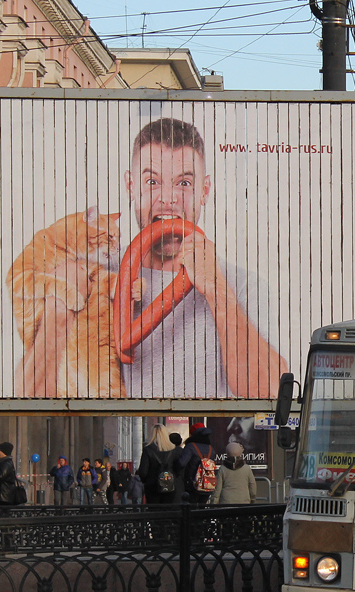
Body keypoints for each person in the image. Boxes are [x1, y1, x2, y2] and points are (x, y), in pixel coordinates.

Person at [121, 118, 286, 398]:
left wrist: (216, 289)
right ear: (130, 185)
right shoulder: (100, 275)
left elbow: (272, 392)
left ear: (205, 190)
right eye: (152, 181)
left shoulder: (241, 285)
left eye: (184, 182)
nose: (168, 198)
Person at [138, 425, 180, 504]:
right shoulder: (174, 450)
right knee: (167, 508)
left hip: (152, 486)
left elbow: (143, 471)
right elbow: (178, 467)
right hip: (170, 485)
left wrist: (146, 480)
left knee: (154, 509)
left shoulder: (148, 449)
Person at [180, 426, 217, 504]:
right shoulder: (211, 449)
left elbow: (182, 463)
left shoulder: (191, 446)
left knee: (190, 507)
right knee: (202, 507)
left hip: (193, 484)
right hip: (207, 484)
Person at [0, 441, 25, 506]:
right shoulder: (6, 462)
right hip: (6, 496)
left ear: (4, 452)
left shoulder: (6, 464)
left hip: (4, 497)